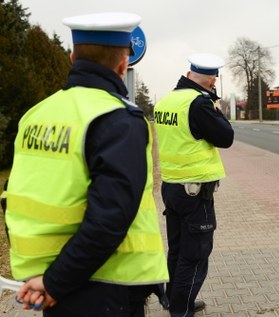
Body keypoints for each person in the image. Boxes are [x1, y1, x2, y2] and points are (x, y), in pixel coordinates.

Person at [4, 12, 168, 317]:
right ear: (123, 64)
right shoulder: (118, 120)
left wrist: (48, 279)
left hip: (54, 280)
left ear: (71, 57)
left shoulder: (37, 114)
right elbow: (110, 218)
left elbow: (13, 194)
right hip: (104, 286)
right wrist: (55, 282)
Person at [153, 53, 234, 317]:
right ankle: (181, 311)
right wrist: (217, 109)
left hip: (172, 187)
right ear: (213, 80)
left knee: (177, 251)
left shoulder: (167, 101)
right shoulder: (199, 104)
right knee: (195, 256)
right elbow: (226, 137)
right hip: (195, 192)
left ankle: (173, 301)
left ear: (188, 75)